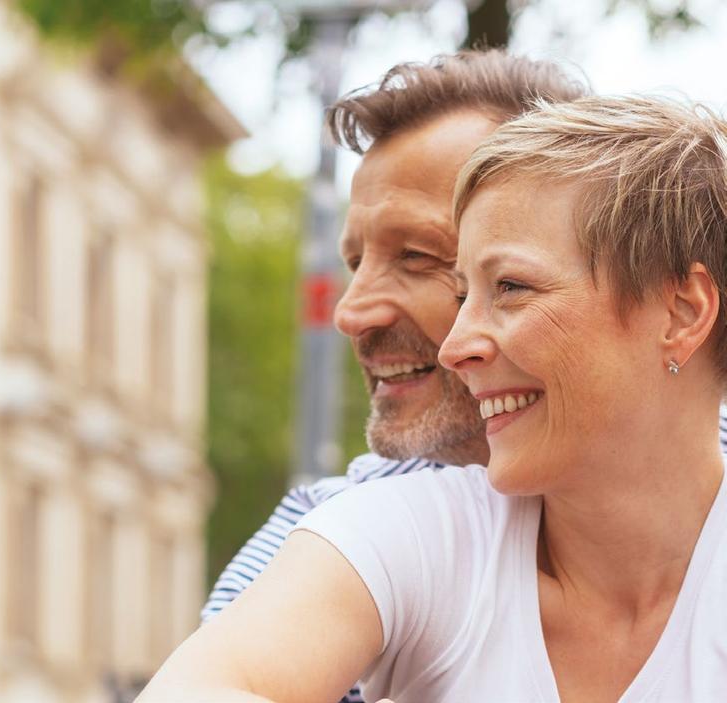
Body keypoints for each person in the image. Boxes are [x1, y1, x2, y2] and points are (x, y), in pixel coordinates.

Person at [139, 94, 727, 702]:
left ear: (683, 311)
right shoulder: (403, 525)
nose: (457, 343)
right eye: (461, 288)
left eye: (511, 286)